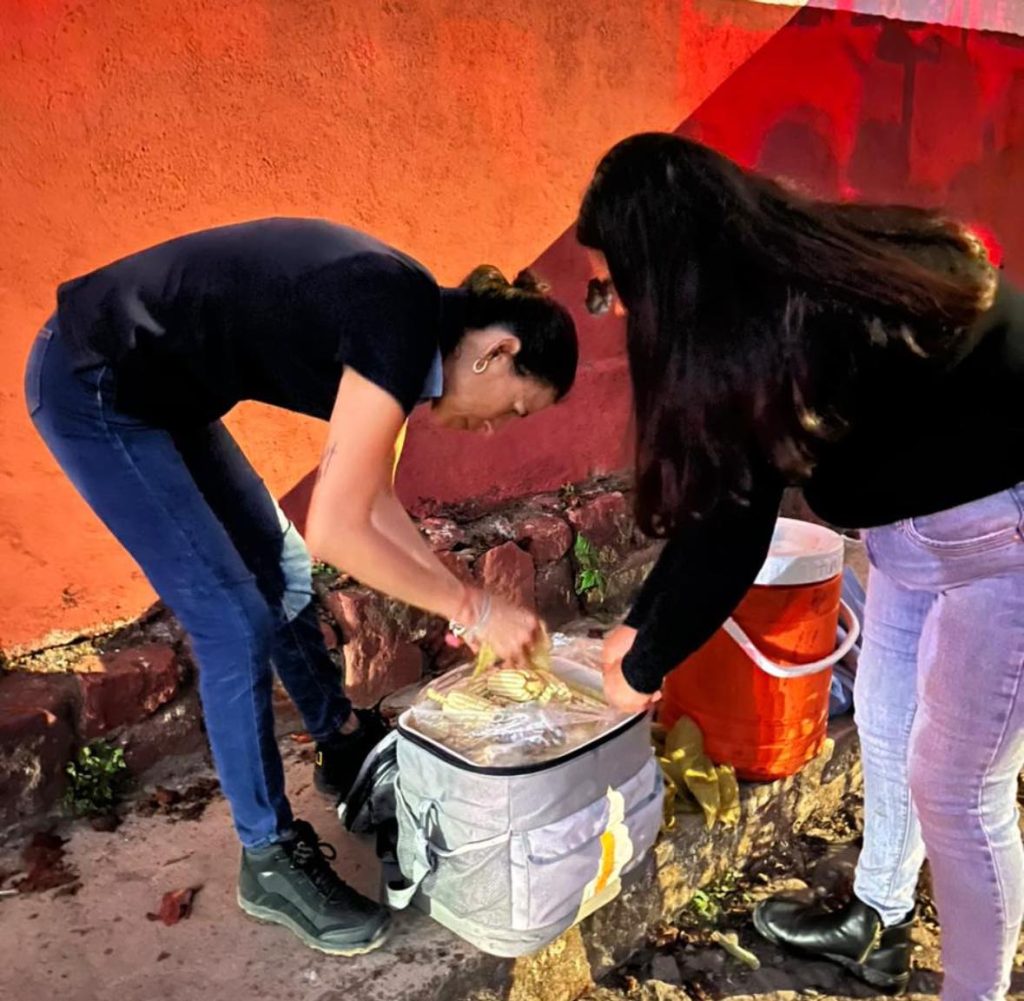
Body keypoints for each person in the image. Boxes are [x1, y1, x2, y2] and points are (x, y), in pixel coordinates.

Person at [24, 218, 578, 956]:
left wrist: (465, 604)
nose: (498, 429)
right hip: (94, 381)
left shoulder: (411, 335)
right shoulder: (398, 319)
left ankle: (343, 745)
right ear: (498, 351)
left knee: (276, 570)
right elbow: (337, 529)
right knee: (232, 620)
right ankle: (268, 856)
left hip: (164, 395)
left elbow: (374, 502)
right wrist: (471, 605)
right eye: (515, 406)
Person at [578, 133, 1024, 1000]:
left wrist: (641, 659)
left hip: (1002, 537)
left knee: (961, 790)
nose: (620, 311)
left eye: (614, 286)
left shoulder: (799, 311)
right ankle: (882, 921)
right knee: (890, 733)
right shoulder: (774, 290)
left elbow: (731, 528)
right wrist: (642, 630)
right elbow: (722, 499)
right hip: (911, 530)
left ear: (665, 269)